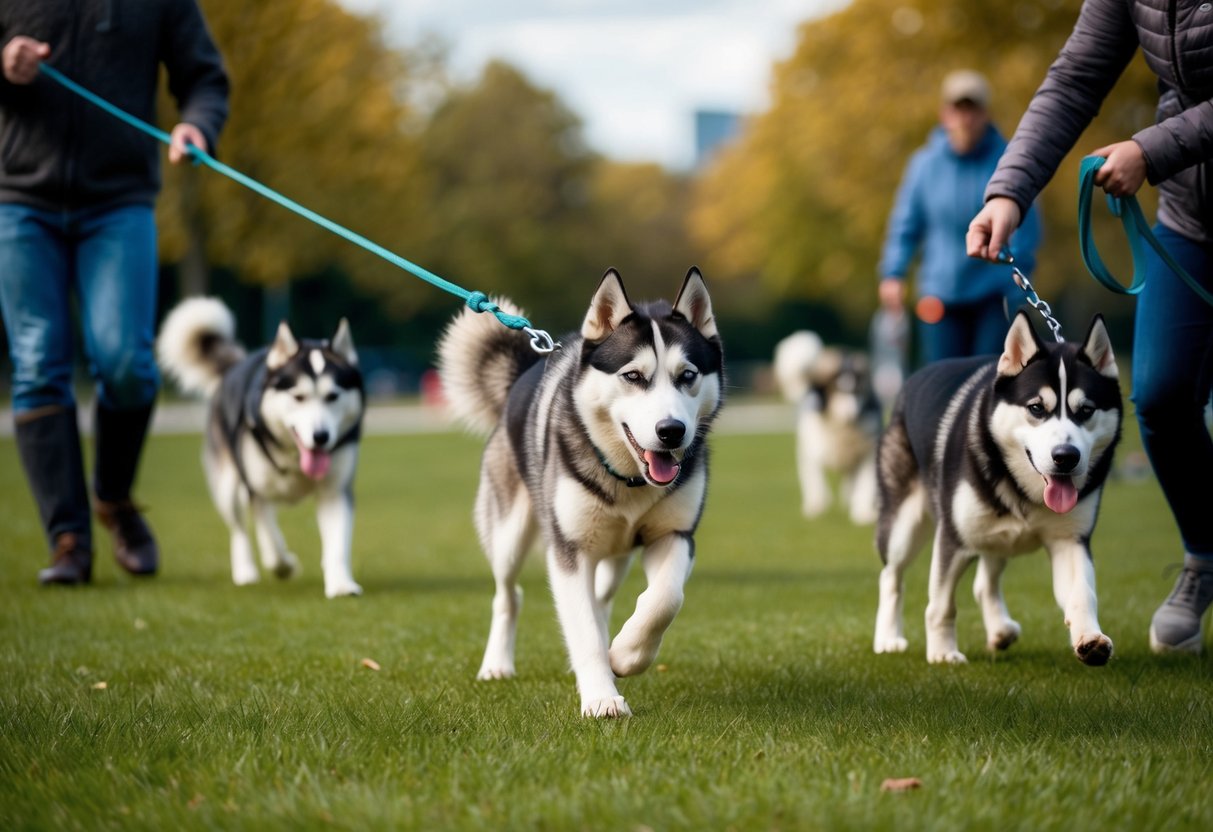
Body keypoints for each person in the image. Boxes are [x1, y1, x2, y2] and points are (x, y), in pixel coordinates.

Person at [966, 0, 1213, 654]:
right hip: (1190, 221)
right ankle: (1202, 557)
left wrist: (1149, 149)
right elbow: (1074, 79)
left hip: (1168, 164)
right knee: (1159, 393)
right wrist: (1007, 193)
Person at [0, 1, 229, 584]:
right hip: (19, 201)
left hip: (119, 202)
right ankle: (68, 540)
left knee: (126, 359)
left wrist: (197, 123)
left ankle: (115, 499)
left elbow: (203, 75)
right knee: (37, 361)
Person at [878, 69, 1043, 366]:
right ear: (945, 114)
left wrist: (1019, 271)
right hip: (940, 294)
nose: (965, 118)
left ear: (985, 114)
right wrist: (893, 273)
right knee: (943, 379)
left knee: (989, 377)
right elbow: (905, 225)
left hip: (993, 293)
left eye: (973, 109)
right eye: (958, 109)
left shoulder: (1008, 160)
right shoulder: (924, 165)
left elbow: (1026, 224)